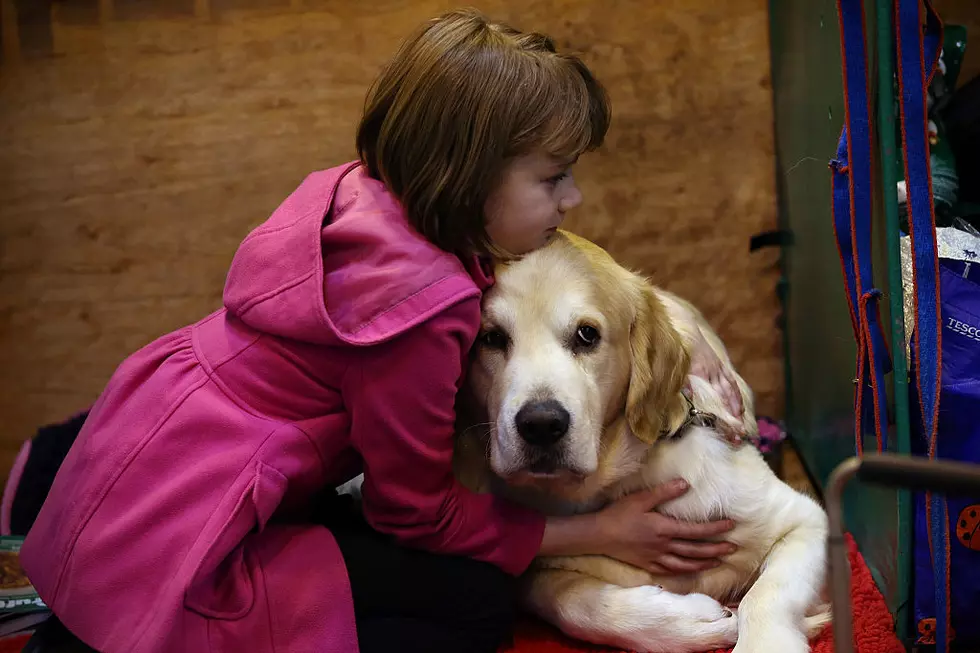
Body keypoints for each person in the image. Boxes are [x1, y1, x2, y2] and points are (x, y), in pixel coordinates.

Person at [20, 9, 743, 653]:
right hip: (196, 540)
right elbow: (416, 513)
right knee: (473, 608)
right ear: (473, 182)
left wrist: (672, 320)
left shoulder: (362, 193)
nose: (572, 198)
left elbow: (565, 270)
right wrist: (593, 533)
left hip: (140, 447)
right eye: (554, 178)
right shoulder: (424, 310)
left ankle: (44, 475)